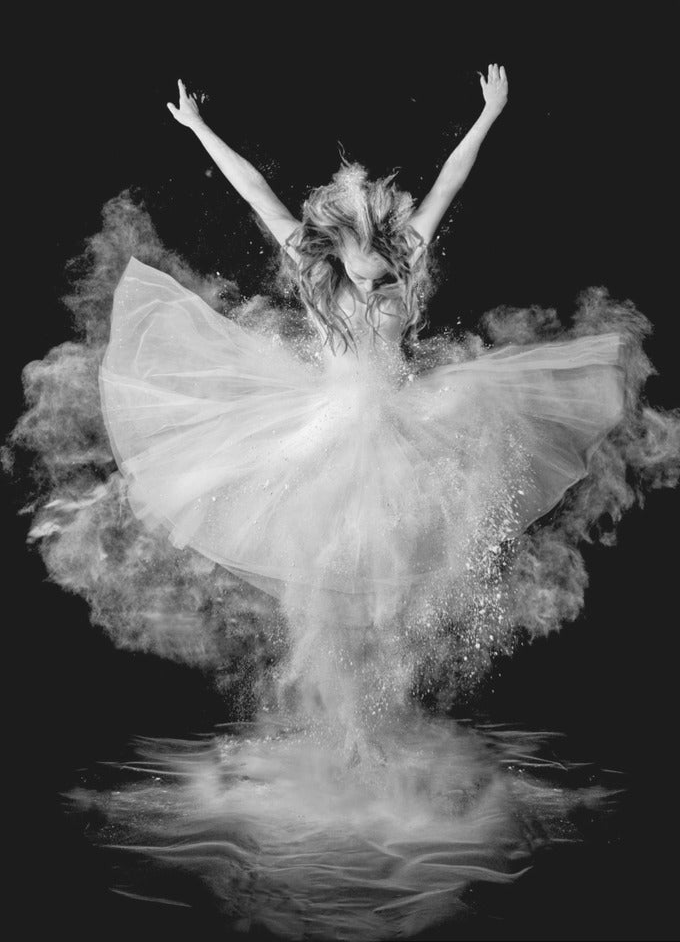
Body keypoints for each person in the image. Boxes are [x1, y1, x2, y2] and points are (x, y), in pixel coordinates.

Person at [99, 69, 625, 737]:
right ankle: (336, 720)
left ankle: (382, 718)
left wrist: (489, 113)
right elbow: (255, 191)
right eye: (359, 272)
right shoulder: (312, 262)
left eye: (380, 274)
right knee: (324, 574)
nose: (371, 284)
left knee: (394, 583)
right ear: (337, 253)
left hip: (403, 427)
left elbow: (449, 182)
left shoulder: (406, 251)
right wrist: (198, 126)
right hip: (324, 425)